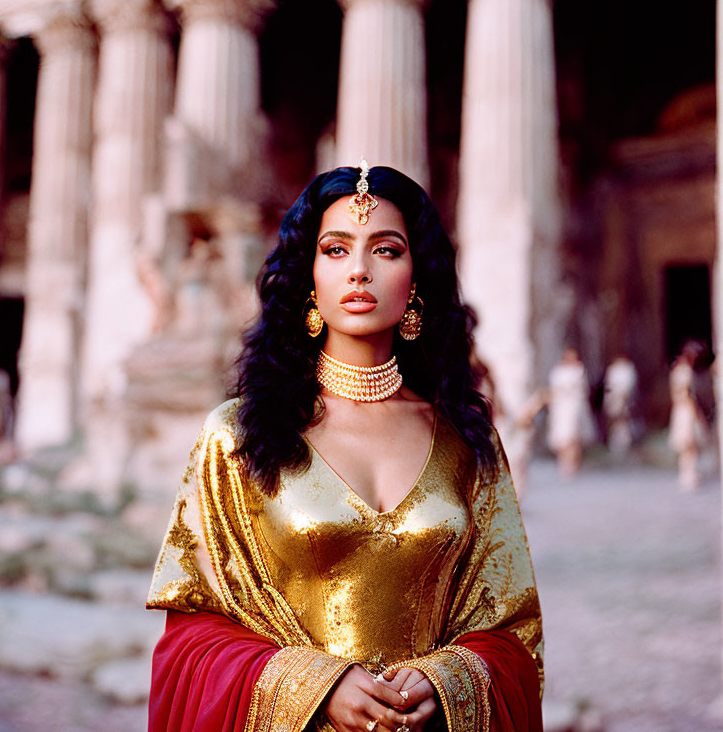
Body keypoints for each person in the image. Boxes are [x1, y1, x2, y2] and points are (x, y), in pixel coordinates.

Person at [146, 164, 543, 732]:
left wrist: (447, 679)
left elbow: (511, 631)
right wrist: (314, 686)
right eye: (335, 250)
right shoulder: (239, 435)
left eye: (385, 250)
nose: (359, 270)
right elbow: (192, 638)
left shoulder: (466, 440)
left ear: (416, 278)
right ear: (308, 275)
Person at [546, 348, 593, 480]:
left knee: (573, 437)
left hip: (575, 407)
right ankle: (563, 464)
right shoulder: (557, 371)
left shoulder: (579, 370)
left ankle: (574, 465)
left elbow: (582, 389)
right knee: (562, 437)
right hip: (560, 408)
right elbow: (553, 389)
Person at [668, 340, 708, 491]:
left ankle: (688, 474)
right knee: (688, 443)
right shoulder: (684, 372)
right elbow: (686, 394)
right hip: (686, 409)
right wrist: (695, 412)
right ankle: (688, 476)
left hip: (681, 409)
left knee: (688, 445)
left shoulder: (678, 370)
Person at [602, 354, 638, 457]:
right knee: (613, 424)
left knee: (622, 422)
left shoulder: (628, 370)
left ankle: (624, 446)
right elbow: (609, 388)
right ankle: (614, 447)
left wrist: (622, 401)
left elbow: (627, 389)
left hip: (623, 400)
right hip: (612, 399)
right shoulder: (612, 370)